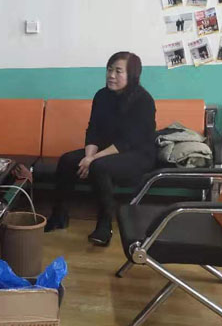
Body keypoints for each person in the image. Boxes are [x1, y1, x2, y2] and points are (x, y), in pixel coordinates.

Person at [45, 52, 156, 246]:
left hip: (138, 154)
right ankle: (59, 215)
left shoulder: (144, 101)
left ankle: (105, 224)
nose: (111, 75)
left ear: (132, 75)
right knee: (67, 160)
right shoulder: (102, 96)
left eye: (118, 71)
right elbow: (93, 129)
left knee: (100, 166)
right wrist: (89, 156)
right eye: (109, 70)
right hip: (106, 151)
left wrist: (93, 160)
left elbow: (128, 141)